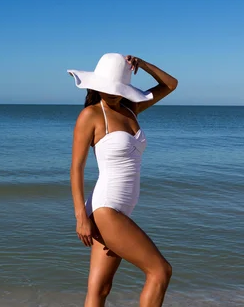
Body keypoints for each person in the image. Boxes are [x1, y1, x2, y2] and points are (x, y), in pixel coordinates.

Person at [67, 53, 178, 307]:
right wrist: (81, 218)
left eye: (119, 89)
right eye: (108, 88)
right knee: (160, 271)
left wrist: (144, 65)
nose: (113, 94)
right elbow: (76, 168)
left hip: (121, 209)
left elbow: (171, 85)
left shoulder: (132, 109)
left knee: (100, 289)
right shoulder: (92, 116)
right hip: (106, 209)